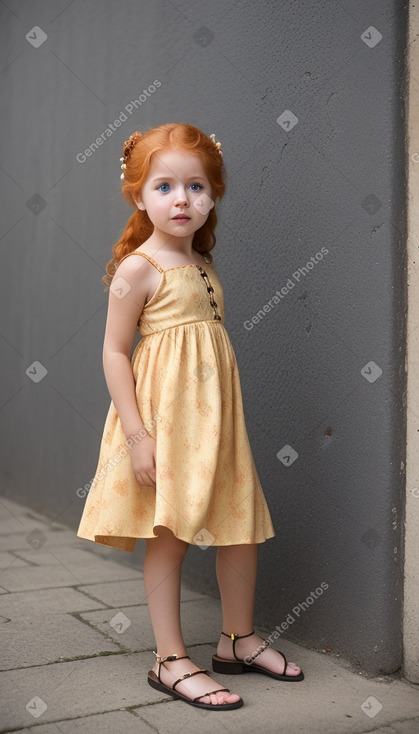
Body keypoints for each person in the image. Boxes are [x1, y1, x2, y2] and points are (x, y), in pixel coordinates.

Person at [77, 122, 304, 710]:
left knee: (241, 527)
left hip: (217, 426)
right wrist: (136, 434)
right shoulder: (139, 269)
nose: (183, 199)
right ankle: (169, 659)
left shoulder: (201, 260)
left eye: (197, 186)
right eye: (165, 186)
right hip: (166, 425)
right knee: (171, 532)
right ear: (138, 194)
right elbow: (113, 352)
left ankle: (237, 640)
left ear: (213, 194)